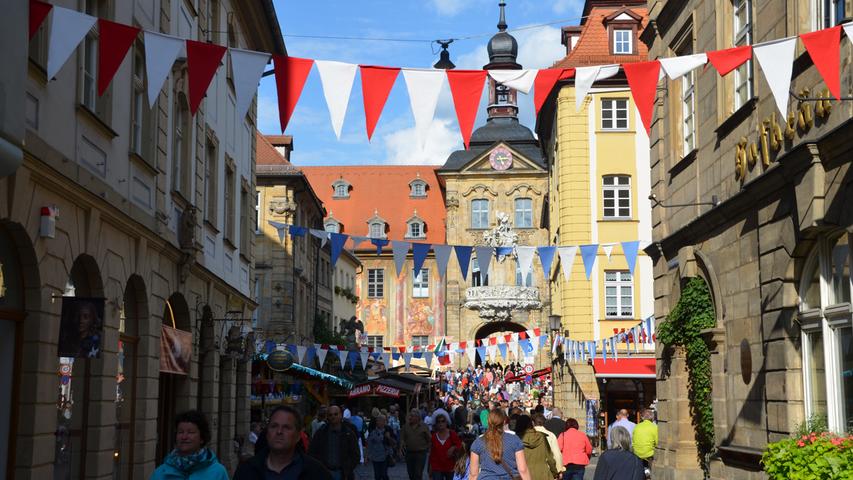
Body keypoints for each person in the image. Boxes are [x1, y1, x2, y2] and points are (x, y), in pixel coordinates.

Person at [234, 406, 332, 480]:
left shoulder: (317, 473)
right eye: (274, 426)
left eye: (286, 427)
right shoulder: (247, 471)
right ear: (267, 433)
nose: (279, 431)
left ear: (298, 436)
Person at [151, 410, 228, 480]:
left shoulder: (218, 472)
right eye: (180, 432)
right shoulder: (161, 473)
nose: (184, 437)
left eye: (190, 432)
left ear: (202, 438)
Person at [469, 409, 531, 480]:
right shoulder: (514, 440)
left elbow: (473, 474)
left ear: (488, 421)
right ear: (504, 422)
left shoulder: (478, 442)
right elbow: (523, 470)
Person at [308, 405, 360, 480]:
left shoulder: (348, 433)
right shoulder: (321, 433)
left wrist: (347, 469)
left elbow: (355, 454)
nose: (333, 417)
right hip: (325, 472)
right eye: (330, 415)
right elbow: (312, 451)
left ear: (341, 415)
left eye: (336, 414)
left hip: (342, 473)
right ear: (327, 417)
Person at [514, 414, 557, 480]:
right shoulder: (541, 436)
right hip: (544, 474)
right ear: (531, 424)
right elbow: (550, 458)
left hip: (525, 476)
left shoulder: (516, 439)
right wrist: (555, 473)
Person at [429, 414, 462, 480]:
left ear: (446, 422)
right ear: (436, 424)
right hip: (437, 467)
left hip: (450, 467)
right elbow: (432, 454)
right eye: (438, 422)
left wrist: (453, 447)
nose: (441, 423)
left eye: (443, 421)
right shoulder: (434, 437)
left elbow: (460, 446)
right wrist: (430, 468)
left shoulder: (452, 434)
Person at [401, 408, 431, 480]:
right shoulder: (406, 426)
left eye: (412, 416)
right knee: (411, 473)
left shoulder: (424, 426)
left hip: (420, 453)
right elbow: (402, 438)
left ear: (417, 417)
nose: (410, 417)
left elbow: (429, 439)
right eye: (410, 415)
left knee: (418, 474)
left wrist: (427, 448)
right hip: (409, 453)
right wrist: (401, 447)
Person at [532, 413, 564, 477]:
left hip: (530, 471)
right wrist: (559, 470)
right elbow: (557, 454)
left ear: (533, 422)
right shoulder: (551, 435)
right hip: (547, 471)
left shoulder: (527, 435)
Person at [366, 415, 394, 480]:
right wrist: (366, 456)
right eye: (378, 421)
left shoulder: (388, 430)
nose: (378, 422)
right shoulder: (373, 432)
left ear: (384, 422)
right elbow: (369, 444)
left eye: (380, 421)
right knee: (377, 476)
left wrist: (389, 437)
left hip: (385, 456)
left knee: (384, 475)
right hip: (375, 457)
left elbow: (394, 443)